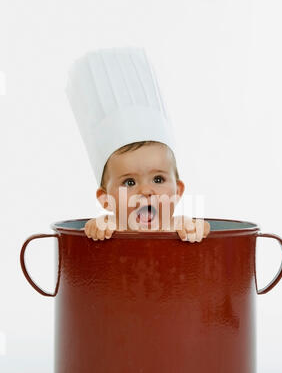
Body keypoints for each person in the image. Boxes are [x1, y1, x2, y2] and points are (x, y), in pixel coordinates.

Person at [66, 46, 210, 243]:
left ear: (177, 191)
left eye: (158, 179)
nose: (145, 191)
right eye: (129, 182)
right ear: (105, 198)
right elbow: (98, 230)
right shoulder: (109, 228)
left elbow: (199, 229)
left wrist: (196, 227)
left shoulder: (179, 227)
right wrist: (98, 227)